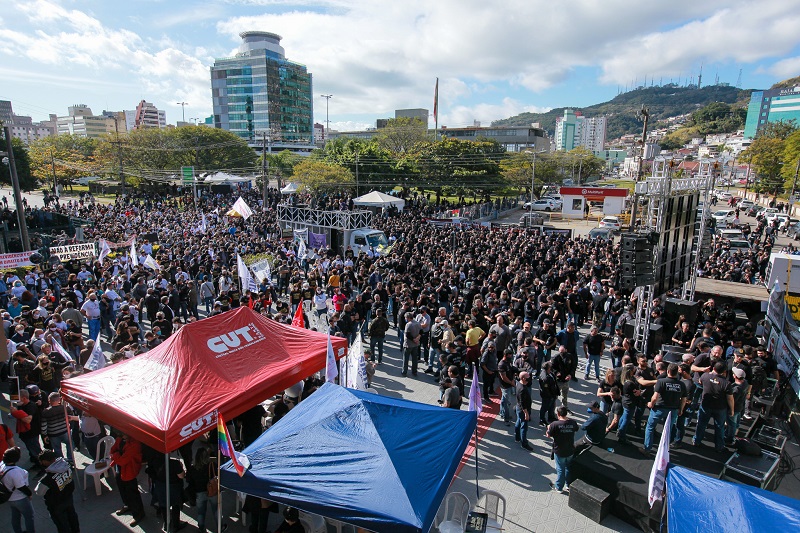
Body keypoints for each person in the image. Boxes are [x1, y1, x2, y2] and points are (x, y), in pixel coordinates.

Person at [641, 363, 687, 455]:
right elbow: (684, 399)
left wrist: (651, 404)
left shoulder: (661, 381)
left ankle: (647, 449)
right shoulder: (681, 384)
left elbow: (655, 397)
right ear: (676, 373)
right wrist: (681, 410)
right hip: (673, 410)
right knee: (667, 430)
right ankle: (663, 450)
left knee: (650, 427)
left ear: (668, 371)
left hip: (659, 409)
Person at [693, 362, 734, 453]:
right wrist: (732, 410)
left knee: (701, 424)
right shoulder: (726, 383)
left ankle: (697, 441)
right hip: (720, 408)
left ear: (713, 369)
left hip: (705, 405)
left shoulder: (705, 376)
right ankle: (719, 446)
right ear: (724, 372)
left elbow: (700, 381)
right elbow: (730, 399)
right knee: (719, 427)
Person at [35, 448, 80, 533]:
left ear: (45, 462)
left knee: (62, 524)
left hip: (56, 504)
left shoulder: (47, 479)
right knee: (72, 517)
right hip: (68, 497)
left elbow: (39, 492)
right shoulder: (65, 465)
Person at [110, 433, 146, 526]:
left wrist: (116, 455)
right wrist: (117, 455)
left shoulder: (135, 444)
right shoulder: (119, 439)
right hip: (121, 469)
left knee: (132, 492)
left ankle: (139, 514)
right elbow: (112, 450)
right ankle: (127, 505)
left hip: (129, 471)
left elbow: (122, 460)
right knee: (122, 489)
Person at [1, 446, 35, 533]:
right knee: (29, 517)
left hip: (10, 498)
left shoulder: (2, 465)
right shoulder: (16, 472)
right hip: (20, 499)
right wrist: (29, 494)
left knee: (15, 517)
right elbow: (21, 487)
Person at [546, 406, 579, 494]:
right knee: (568, 467)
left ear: (558, 414)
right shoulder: (573, 422)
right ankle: (568, 485)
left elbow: (548, 435)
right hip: (570, 450)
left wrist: (548, 428)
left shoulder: (554, 424)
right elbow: (576, 429)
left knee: (560, 469)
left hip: (559, 451)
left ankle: (559, 487)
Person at [40, 392, 78, 461]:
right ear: (59, 400)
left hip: (53, 434)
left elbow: (44, 425)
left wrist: (44, 435)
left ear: (49, 400)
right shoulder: (65, 408)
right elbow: (71, 418)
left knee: (57, 449)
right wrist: (70, 427)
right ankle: (70, 459)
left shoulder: (46, 412)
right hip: (65, 431)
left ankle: (61, 462)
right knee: (69, 445)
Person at [725, 367, 750, 446]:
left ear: (734, 376)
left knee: (732, 424)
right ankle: (731, 433)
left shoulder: (736, 389)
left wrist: (730, 410)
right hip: (740, 407)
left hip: (734, 408)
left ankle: (730, 439)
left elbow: (731, 401)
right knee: (736, 421)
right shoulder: (745, 383)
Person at [496, 348, 517, 425]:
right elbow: (503, 377)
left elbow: (512, 369)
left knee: (504, 400)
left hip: (509, 384)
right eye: (509, 355)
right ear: (505, 355)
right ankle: (506, 418)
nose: (511, 356)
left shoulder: (508, 362)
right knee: (507, 402)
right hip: (505, 385)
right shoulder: (502, 364)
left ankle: (502, 413)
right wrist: (511, 383)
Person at [515, 372, 534, 451]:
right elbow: (522, 403)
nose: (529, 378)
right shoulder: (522, 389)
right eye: (527, 377)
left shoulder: (519, 384)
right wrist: (526, 413)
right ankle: (524, 443)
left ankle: (517, 437)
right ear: (523, 378)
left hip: (519, 408)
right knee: (524, 426)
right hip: (523, 410)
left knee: (518, 422)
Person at [538, 361, 558, 427]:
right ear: (547, 368)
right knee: (545, 407)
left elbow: (554, 382)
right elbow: (545, 389)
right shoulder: (544, 377)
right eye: (550, 367)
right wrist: (551, 395)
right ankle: (542, 419)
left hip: (553, 394)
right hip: (547, 396)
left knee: (552, 406)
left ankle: (551, 417)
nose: (551, 368)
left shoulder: (550, 373)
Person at [401, 312, 421, 377]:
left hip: (408, 344)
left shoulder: (408, 325)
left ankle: (404, 372)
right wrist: (417, 339)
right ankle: (414, 371)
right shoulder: (418, 323)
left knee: (406, 359)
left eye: (405, 318)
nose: (405, 319)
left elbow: (407, 335)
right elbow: (421, 332)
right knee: (415, 359)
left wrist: (413, 339)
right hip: (416, 345)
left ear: (408, 318)